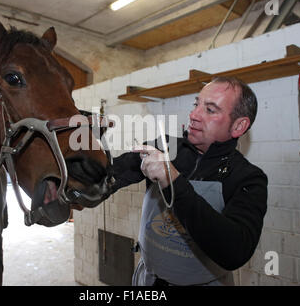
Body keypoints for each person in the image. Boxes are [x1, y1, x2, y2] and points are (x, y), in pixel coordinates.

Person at [110, 76, 268, 286]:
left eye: (210, 110)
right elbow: (109, 175)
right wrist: (68, 180)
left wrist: (172, 180)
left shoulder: (247, 178)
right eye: (196, 105)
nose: (193, 115)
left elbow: (235, 251)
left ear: (239, 126)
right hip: (148, 281)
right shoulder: (165, 147)